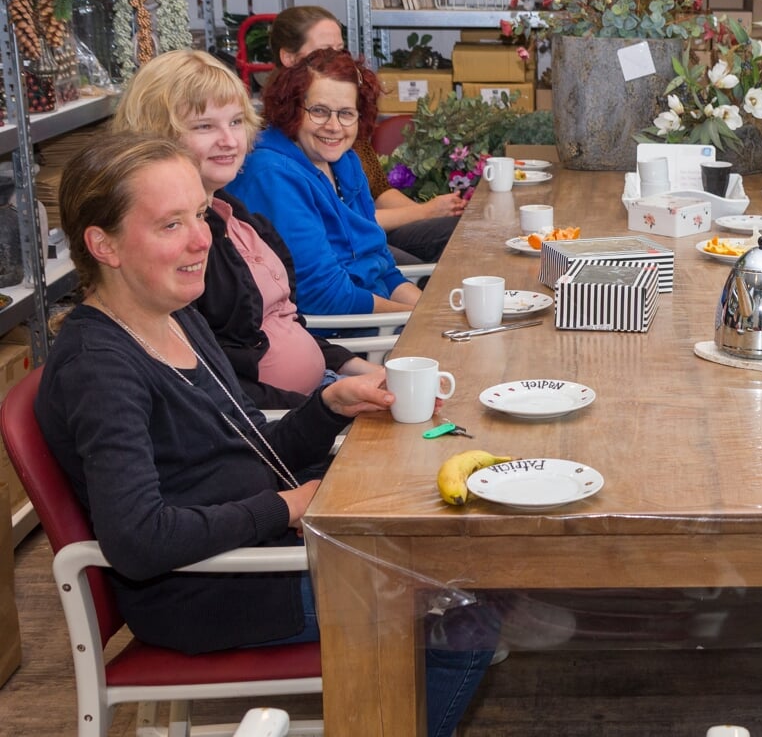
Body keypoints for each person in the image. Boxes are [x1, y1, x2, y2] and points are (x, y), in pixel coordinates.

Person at [35, 133, 497, 737]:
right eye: (171, 225)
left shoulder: (176, 318)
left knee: (450, 545)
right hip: (211, 590)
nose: (203, 238)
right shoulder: (100, 367)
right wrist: (286, 507)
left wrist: (329, 406)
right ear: (104, 244)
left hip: (252, 556)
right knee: (467, 617)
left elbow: (245, 450)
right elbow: (138, 539)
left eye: (199, 215)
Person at [110, 49, 382, 409]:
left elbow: (286, 323)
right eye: (205, 126)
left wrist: (358, 369)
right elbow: (212, 390)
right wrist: (326, 406)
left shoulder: (232, 214)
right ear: (158, 134)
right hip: (278, 426)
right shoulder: (177, 248)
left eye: (236, 121)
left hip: (318, 395)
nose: (230, 140)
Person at [226, 47, 422, 316]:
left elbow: (383, 267)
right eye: (319, 111)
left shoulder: (345, 161)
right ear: (292, 108)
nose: (334, 126)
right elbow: (325, 296)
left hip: (380, 319)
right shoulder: (272, 174)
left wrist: (431, 313)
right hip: (345, 335)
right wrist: (414, 318)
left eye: (346, 113)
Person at [270, 6, 463, 264]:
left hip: (365, 233)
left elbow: (379, 191)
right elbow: (341, 221)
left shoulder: (343, 124)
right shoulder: (285, 143)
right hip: (343, 247)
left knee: (463, 234)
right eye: (326, 51)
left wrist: (430, 212)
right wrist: (425, 212)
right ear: (289, 58)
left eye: (341, 50)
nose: (334, 125)